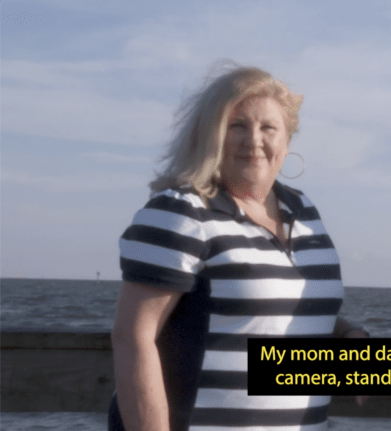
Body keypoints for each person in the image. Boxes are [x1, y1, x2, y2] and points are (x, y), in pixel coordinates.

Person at [110, 64, 368, 431]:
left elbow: (272, 310)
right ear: (209, 135)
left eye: (268, 128)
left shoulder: (304, 210)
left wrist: (346, 334)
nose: (254, 140)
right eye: (237, 126)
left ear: (287, 140)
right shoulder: (181, 210)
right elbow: (132, 337)